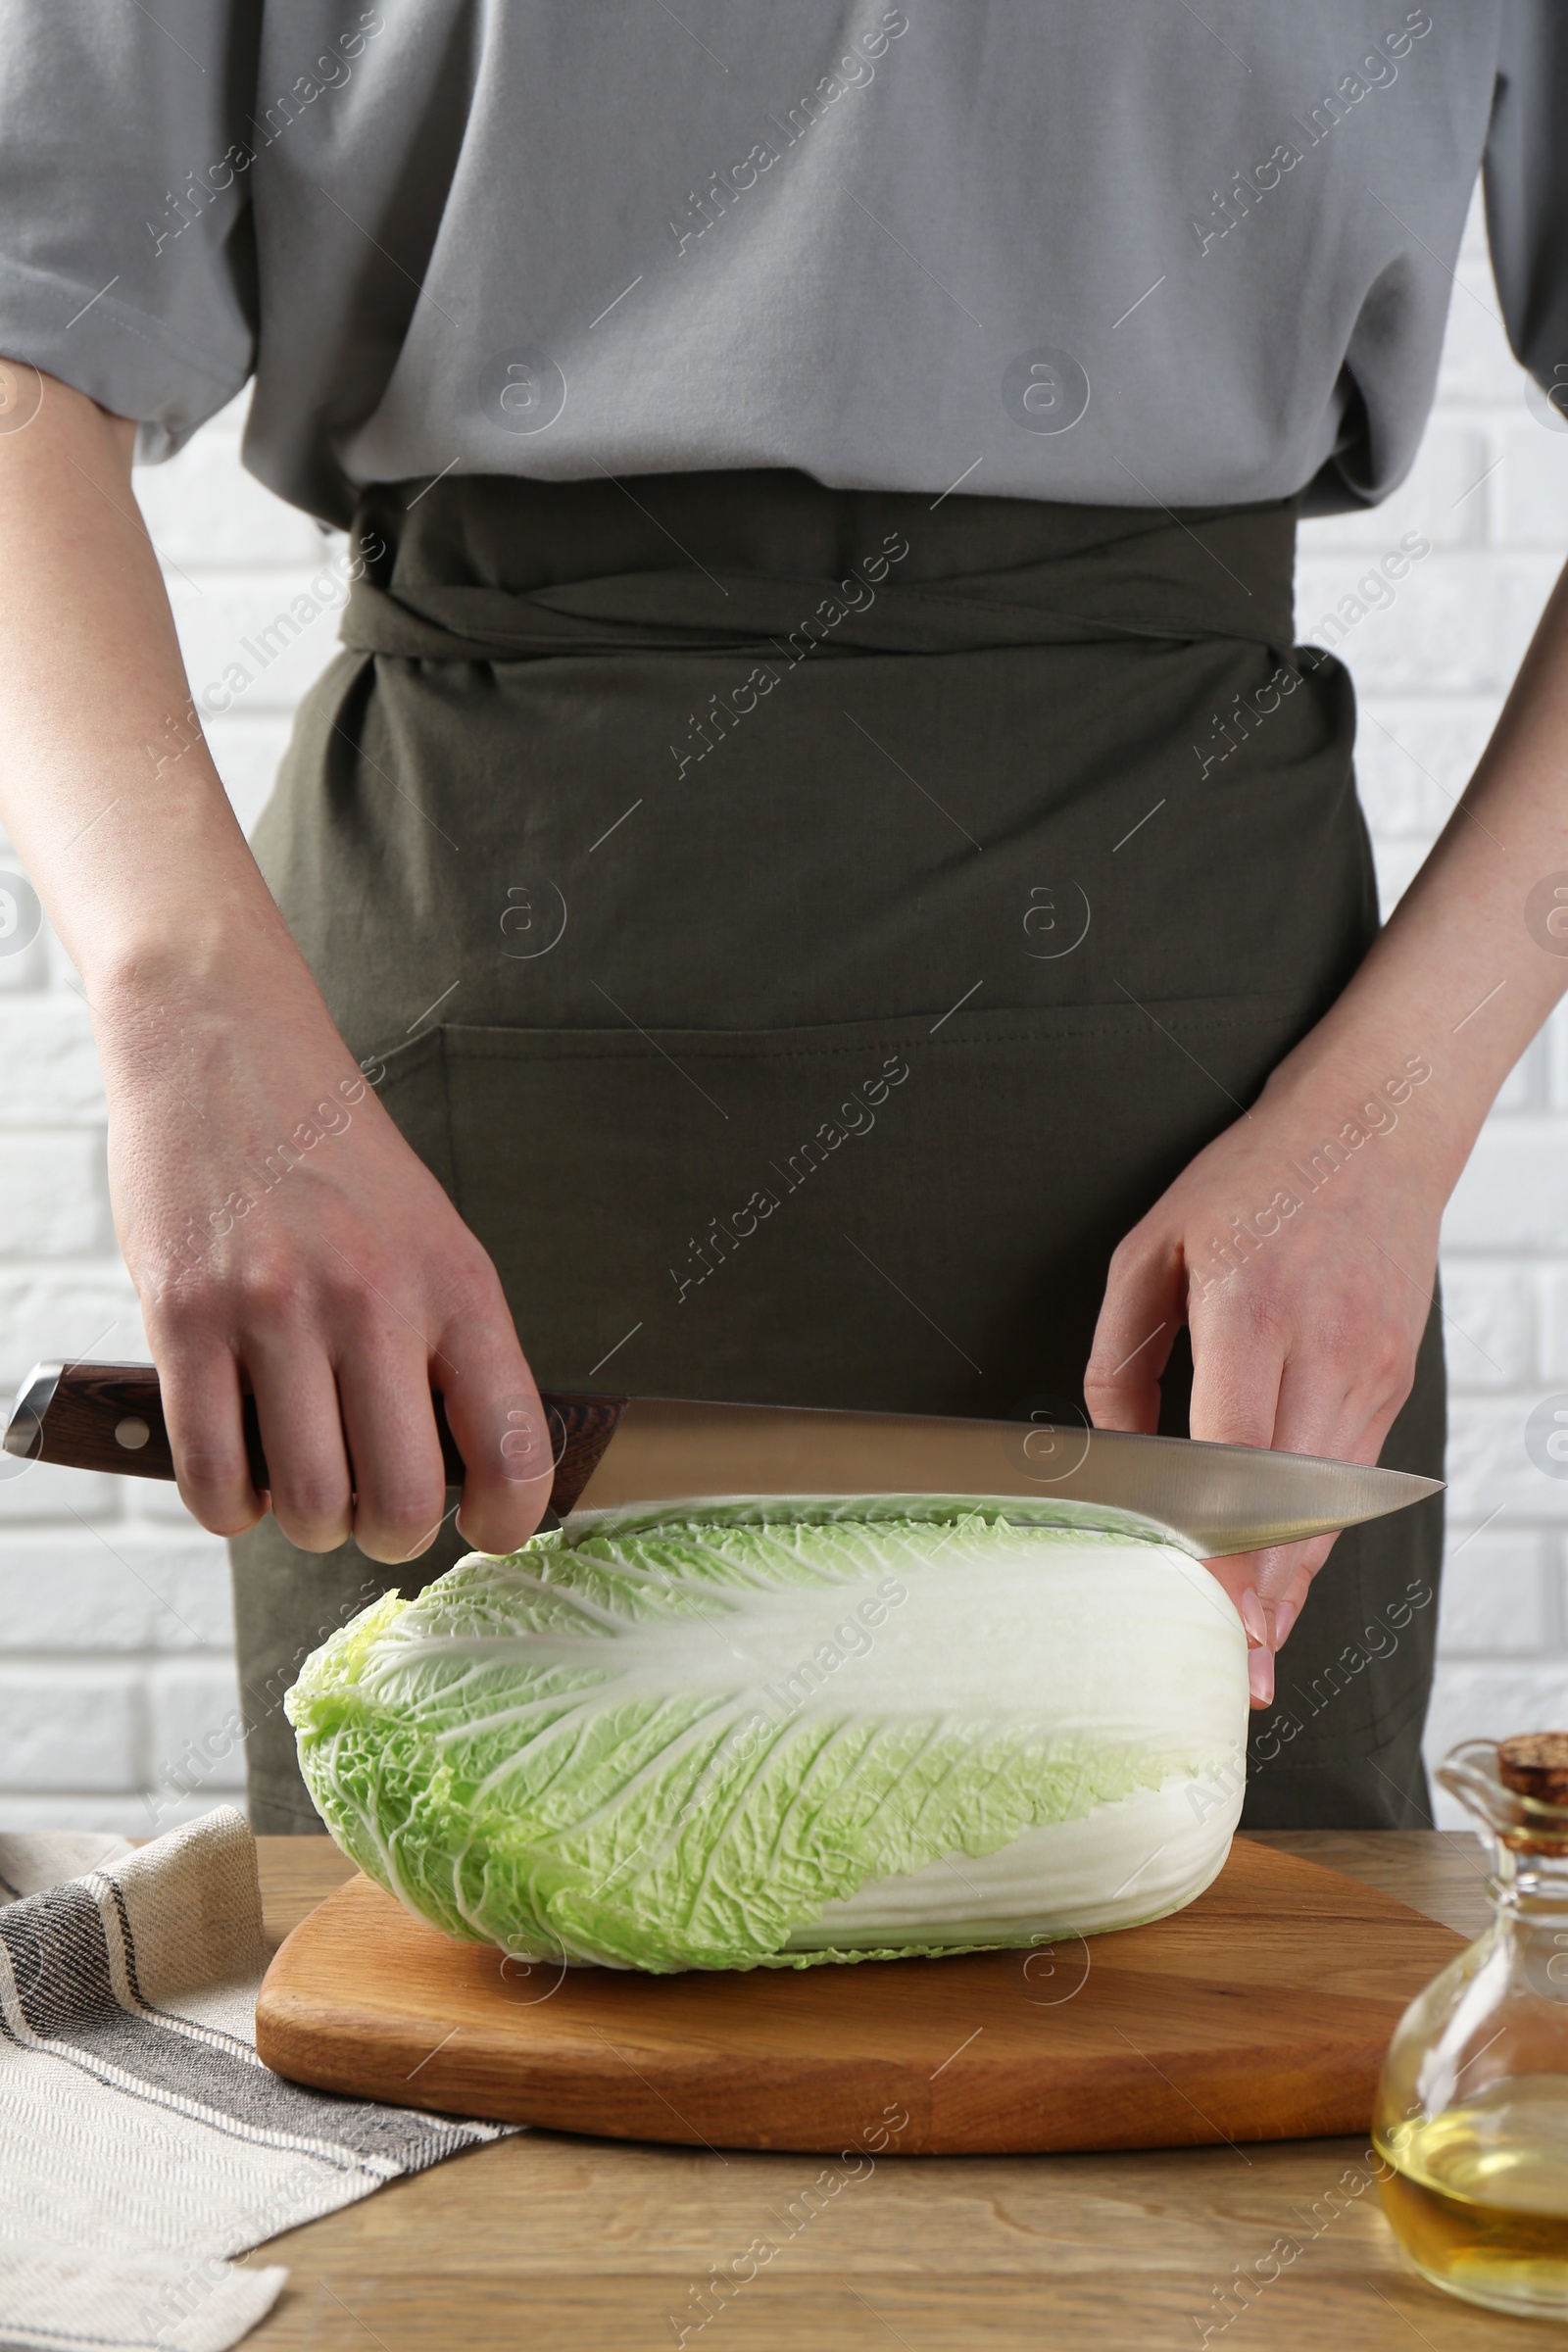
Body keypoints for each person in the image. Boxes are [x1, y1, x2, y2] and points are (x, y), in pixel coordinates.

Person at [0, 3, 1563, 1833]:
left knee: (1228, 2066)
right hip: (454, 1134)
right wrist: (188, 1021)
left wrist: (1390, 1125)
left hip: (1221, 1131)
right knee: (454, 2082)